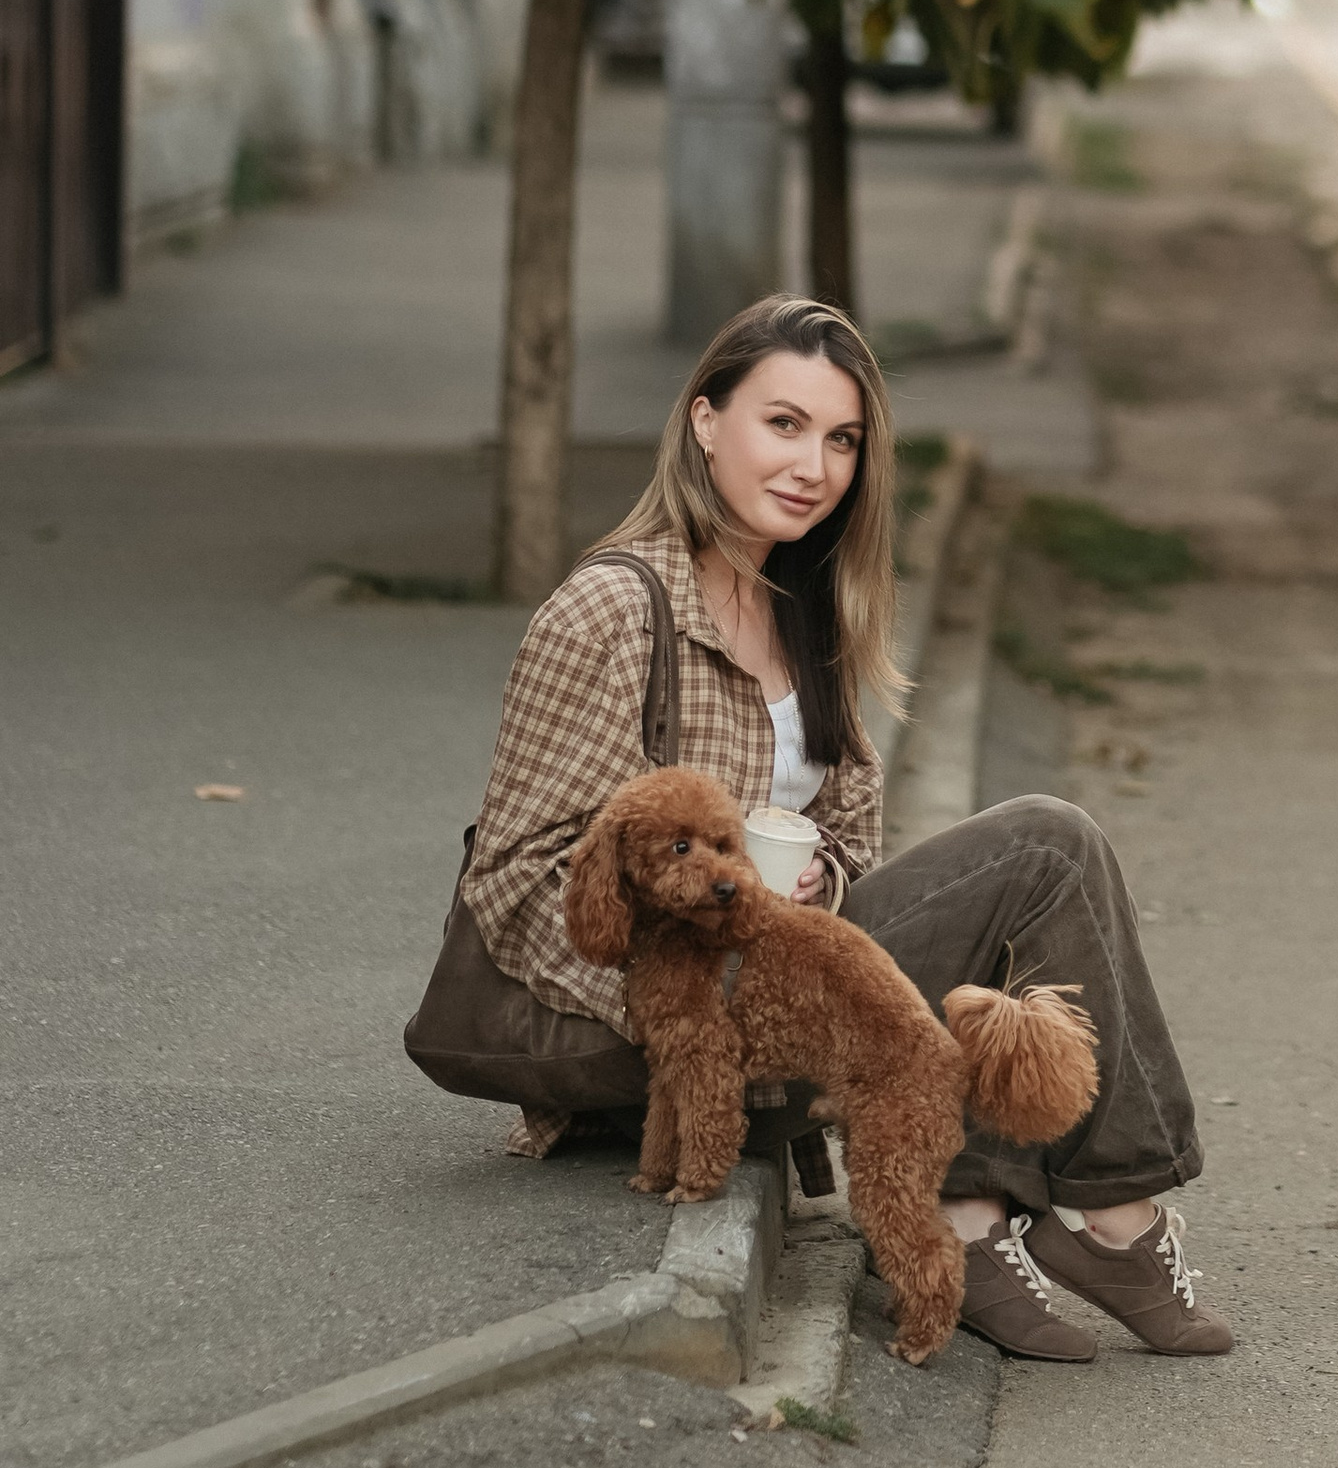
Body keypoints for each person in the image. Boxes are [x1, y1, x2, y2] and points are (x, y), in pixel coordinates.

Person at [463, 292, 1230, 1362]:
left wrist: (816, 879)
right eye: (783, 424)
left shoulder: (806, 607)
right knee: (1042, 841)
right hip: (690, 1041)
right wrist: (699, 986)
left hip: (793, 976)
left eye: (841, 440)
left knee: (1047, 854)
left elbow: (849, 839)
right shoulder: (611, 611)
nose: (813, 466)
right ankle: (1082, 1220)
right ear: (704, 421)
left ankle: (1026, 1215)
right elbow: (510, 881)